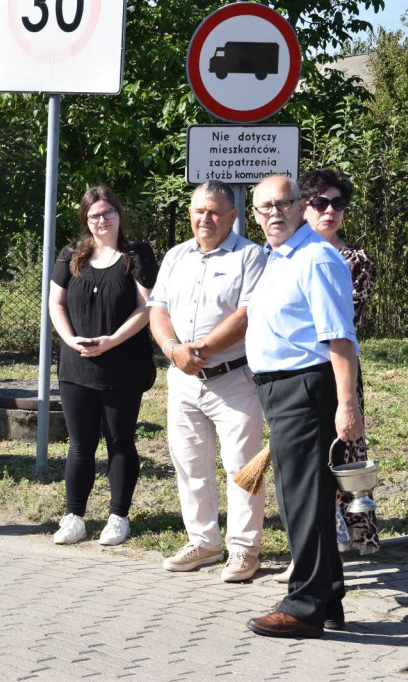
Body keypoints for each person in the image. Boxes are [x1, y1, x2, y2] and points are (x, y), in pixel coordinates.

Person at [245, 175, 362, 639]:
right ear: (254, 215)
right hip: (279, 388)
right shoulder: (280, 258)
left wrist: (347, 403)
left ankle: (305, 605)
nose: (274, 213)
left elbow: (340, 336)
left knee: (302, 499)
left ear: (300, 207)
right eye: (264, 207)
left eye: (283, 204)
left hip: (305, 387)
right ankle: (326, 597)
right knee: (304, 494)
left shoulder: (316, 257)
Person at [147, 181, 267, 580]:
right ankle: (203, 541)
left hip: (233, 378)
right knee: (189, 463)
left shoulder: (251, 256)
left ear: (233, 216)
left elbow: (247, 314)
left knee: (242, 467)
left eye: (215, 211)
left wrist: (201, 350)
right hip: (182, 378)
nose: (206, 218)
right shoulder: (176, 256)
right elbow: (158, 310)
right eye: (199, 210)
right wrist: (172, 349)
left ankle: (244, 549)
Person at [48, 186, 158, 547]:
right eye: (94, 215)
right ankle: (74, 517)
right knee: (80, 445)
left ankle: (118, 517)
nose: (102, 220)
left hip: (123, 364)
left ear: (118, 215)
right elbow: (56, 304)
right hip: (76, 366)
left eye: (108, 212)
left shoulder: (136, 255)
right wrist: (69, 339)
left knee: (120, 442)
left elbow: (146, 308)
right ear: (86, 219)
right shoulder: (70, 255)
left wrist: (112, 341)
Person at [300, 168, 379, 557]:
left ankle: (354, 532)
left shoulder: (355, 260)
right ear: (303, 207)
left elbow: (345, 323)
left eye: (337, 203)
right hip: (294, 373)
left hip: (338, 366)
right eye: (319, 203)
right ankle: (322, 533)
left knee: (345, 449)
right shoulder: (283, 257)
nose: (329, 210)